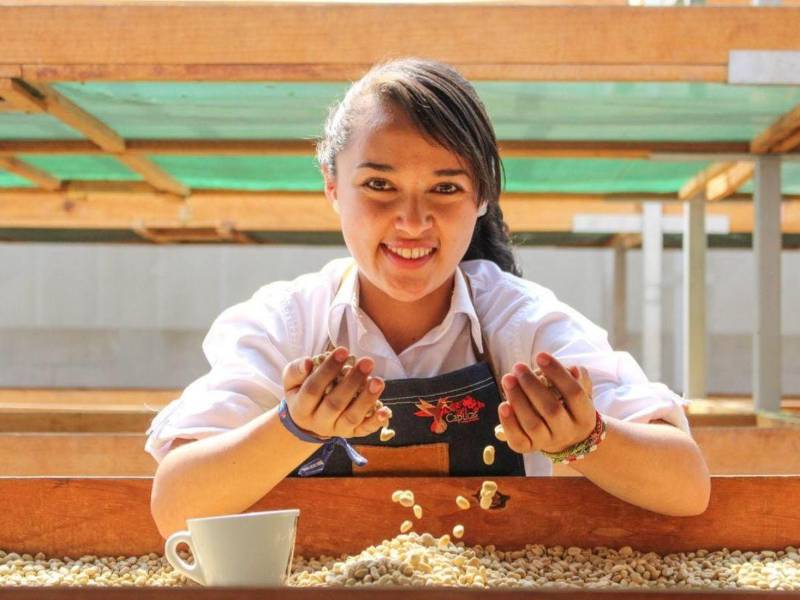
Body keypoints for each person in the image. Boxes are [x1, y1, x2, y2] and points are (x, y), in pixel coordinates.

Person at [146, 58, 710, 538]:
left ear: (482, 195)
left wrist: (588, 438)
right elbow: (175, 504)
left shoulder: (522, 323)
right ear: (331, 185)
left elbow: (688, 487)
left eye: (445, 188)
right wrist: (295, 427)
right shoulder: (287, 324)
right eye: (379, 185)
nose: (412, 222)